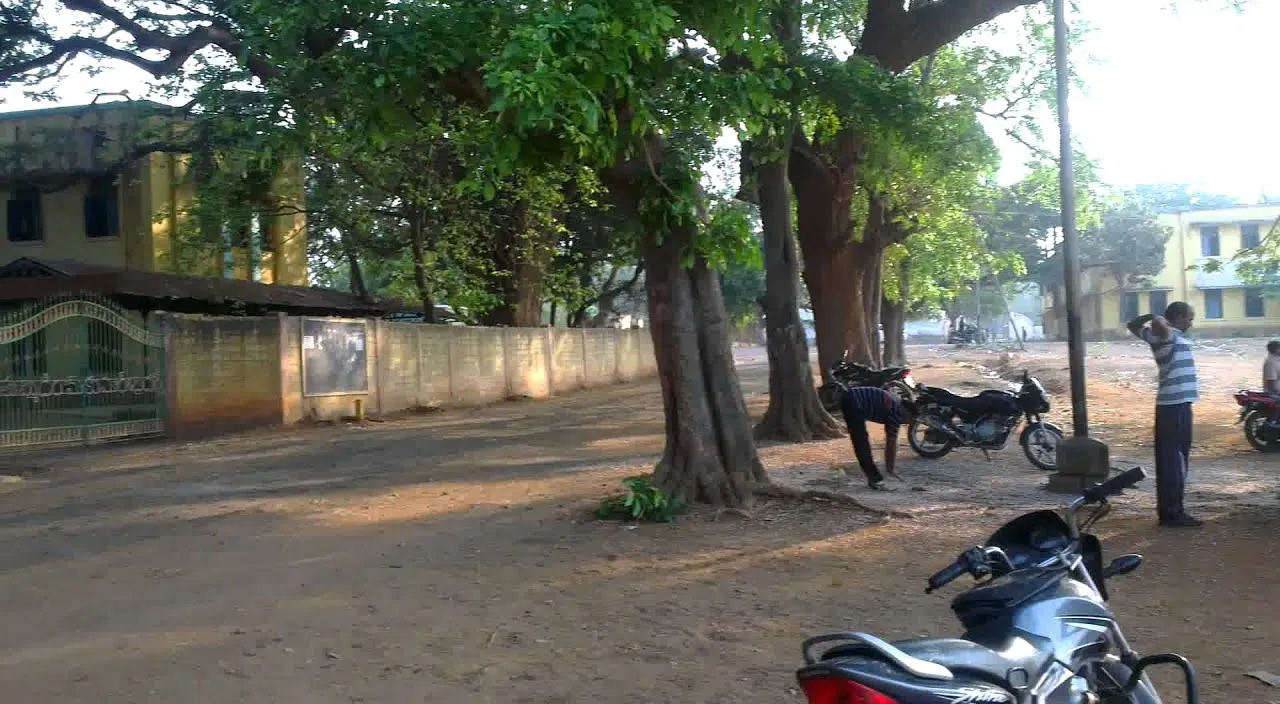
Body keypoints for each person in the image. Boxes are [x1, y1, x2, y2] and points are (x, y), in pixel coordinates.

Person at [1127, 302, 1202, 528]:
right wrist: (1157, 316)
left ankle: (1172, 510)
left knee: (1177, 459)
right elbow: (1155, 324)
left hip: (1178, 404)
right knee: (1174, 461)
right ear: (1177, 317)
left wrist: (1153, 319)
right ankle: (1172, 514)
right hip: (1173, 405)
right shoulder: (1165, 335)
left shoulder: (1160, 336)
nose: (1191, 322)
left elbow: (1133, 325)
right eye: (1189, 317)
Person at [839, 386, 916, 491]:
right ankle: (874, 479)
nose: (908, 423)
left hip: (851, 396)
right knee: (861, 442)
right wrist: (890, 468)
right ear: (908, 414)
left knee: (860, 440)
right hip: (854, 401)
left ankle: (874, 477)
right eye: (910, 420)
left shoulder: (896, 403)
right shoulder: (897, 413)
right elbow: (891, 443)